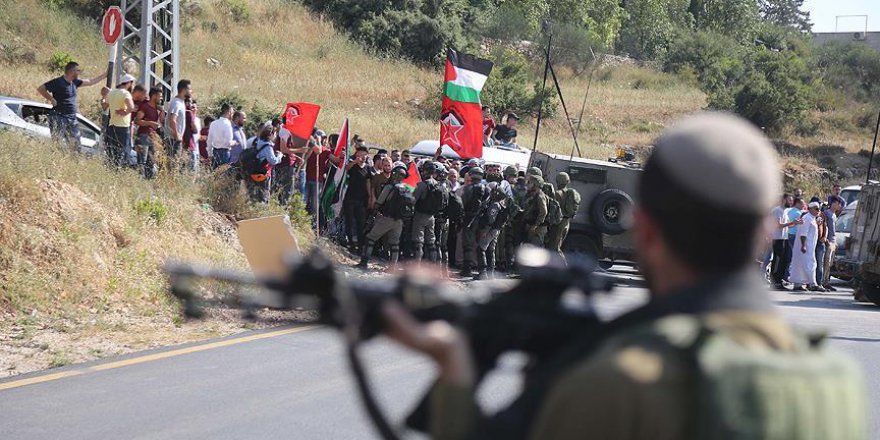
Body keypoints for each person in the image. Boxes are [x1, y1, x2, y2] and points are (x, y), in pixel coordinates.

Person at [381, 112, 867, 440]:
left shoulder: (620, 385)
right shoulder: (837, 383)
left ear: (645, 228)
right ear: (766, 231)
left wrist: (454, 370)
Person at [37, 61, 107, 150]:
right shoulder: (58, 82)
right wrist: (51, 99)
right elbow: (41, 88)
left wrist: (106, 73)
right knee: (57, 144)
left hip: (72, 118)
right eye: (78, 70)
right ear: (72, 71)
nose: (79, 72)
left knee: (75, 145)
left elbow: (91, 81)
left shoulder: (75, 82)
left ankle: (74, 160)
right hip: (59, 117)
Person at [358, 163, 412, 270]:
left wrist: (373, 214)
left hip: (387, 218)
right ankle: (392, 268)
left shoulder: (389, 187)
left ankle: (364, 263)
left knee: (370, 238)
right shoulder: (407, 189)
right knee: (395, 245)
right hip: (399, 221)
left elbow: (379, 203)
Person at [412, 162, 446, 263]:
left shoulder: (422, 185)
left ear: (425, 171)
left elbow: (413, 200)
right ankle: (434, 266)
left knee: (418, 242)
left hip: (420, 215)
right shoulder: (439, 185)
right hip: (432, 217)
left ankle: (417, 266)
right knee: (431, 242)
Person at [475, 182, 509, 279]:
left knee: (481, 249)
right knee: (490, 250)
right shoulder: (501, 203)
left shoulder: (495, 205)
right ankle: (491, 272)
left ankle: (483, 273)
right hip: (496, 230)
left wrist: (485, 231)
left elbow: (491, 219)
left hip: (490, 230)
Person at [104, 74, 138, 169]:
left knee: (112, 150)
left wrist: (103, 96)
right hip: (123, 126)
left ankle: (112, 168)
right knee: (124, 150)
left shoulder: (112, 93)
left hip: (112, 125)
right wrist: (125, 112)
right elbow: (131, 107)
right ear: (129, 83)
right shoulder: (126, 93)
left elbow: (104, 106)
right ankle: (121, 169)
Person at [769, 194, 801, 290]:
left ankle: (780, 279)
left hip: (784, 238)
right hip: (777, 239)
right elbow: (778, 225)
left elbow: (786, 226)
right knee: (778, 261)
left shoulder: (785, 211)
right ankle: (775, 281)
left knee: (786, 260)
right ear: (783, 200)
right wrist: (792, 222)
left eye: (792, 200)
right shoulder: (777, 210)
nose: (791, 202)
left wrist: (795, 223)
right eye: (789, 200)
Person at [243, 124, 283, 203]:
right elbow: (273, 161)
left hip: (253, 172)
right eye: (275, 134)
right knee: (263, 196)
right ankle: (262, 211)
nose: (275, 136)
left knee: (253, 196)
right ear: (271, 134)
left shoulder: (257, 142)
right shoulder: (268, 147)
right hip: (263, 174)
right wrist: (279, 156)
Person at [344, 146, 373, 253]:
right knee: (349, 222)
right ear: (357, 155)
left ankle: (361, 246)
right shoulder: (353, 165)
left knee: (361, 224)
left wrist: (370, 197)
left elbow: (368, 183)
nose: (363, 157)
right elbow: (346, 169)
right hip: (350, 198)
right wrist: (355, 162)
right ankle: (350, 243)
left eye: (365, 154)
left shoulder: (368, 168)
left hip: (362, 200)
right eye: (360, 154)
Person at [547, 172, 581, 259]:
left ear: (558, 181)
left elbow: (553, 210)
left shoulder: (557, 194)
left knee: (555, 248)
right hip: (566, 222)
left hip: (558, 223)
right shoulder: (570, 193)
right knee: (556, 246)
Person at [790, 201, 822, 292]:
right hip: (805, 246)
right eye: (816, 208)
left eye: (818, 209)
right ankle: (812, 284)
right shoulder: (807, 218)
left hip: (810, 246)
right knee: (810, 264)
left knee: (801, 264)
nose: (818, 210)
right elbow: (803, 234)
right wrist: (803, 245)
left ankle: (798, 284)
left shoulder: (812, 218)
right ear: (810, 209)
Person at [133, 86, 163, 179]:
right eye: (159, 96)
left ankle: (148, 183)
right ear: (154, 96)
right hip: (143, 137)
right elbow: (137, 121)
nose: (161, 98)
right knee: (142, 163)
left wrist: (162, 110)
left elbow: (162, 120)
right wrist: (150, 123)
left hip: (152, 138)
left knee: (151, 162)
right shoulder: (145, 106)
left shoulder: (156, 109)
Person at [165, 80, 192, 164]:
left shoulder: (181, 102)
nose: (191, 91)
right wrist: (177, 136)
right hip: (173, 140)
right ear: (184, 90)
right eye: (189, 89)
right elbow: (172, 120)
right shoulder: (176, 103)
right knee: (173, 167)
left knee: (175, 166)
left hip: (175, 140)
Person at [207, 104, 237, 169]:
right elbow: (228, 142)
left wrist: (209, 154)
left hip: (215, 152)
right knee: (224, 175)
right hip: (225, 153)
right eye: (232, 112)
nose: (232, 114)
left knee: (215, 175)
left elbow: (209, 140)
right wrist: (235, 142)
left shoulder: (213, 123)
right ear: (229, 112)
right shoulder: (228, 124)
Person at [821, 198, 842, 291]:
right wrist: (826, 240)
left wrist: (835, 241)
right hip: (828, 241)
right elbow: (824, 226)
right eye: (838, 203)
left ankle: (827, 281)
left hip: (833, 241)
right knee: (826, 262)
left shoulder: (834, 215)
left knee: (830, 263)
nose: (839, 206)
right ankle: (823, 282)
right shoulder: (826, 213)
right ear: (833, 203)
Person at [523, 175, 549, 246]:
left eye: (529, 182)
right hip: (533, 228)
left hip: (538, 230)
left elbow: (544, 212)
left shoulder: (540, 196)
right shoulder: (534, 195)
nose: (527, 184)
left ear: (535, 185)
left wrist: (536, 225)